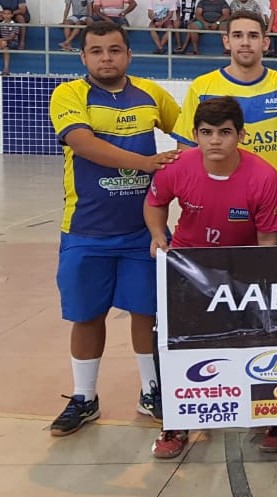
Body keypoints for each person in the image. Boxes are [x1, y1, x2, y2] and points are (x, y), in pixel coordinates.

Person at [47, 21, 181, 437]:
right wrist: (145, 163)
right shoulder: (69, 94)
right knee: (87, 316)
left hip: (143, 232)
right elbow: (82, 142)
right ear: (84, 57)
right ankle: (84, 397)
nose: (107, 57)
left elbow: (192, 135)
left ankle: (152, 390)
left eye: (115, 50)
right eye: (97, 51)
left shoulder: (152, 95)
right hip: (85, 230)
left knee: (147, 313)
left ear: (129, 54)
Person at [144, 97, 277, 458]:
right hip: (188, 264)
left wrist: (258, 286)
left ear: (240, 134)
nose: (215, 141)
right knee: (172, 339)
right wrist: (158, 235)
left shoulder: (264, 176)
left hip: (242, 267)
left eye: (225, 133)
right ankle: (175, 422)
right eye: (206, 133)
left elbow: (269, 241)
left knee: (263, 336)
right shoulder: (178, 167)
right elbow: (155, 202)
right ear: (194, 135)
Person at [171, 10, 277, 236]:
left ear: (265, 42)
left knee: (265, 269)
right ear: (226, 41)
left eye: (253, 36)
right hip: (216, 204)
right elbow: (187, 147)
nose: (245, 42)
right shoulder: (203, 86)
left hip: (269, 205)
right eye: (238, 35)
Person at [0, 8, 16, 74]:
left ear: (12, 15)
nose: (6, 15)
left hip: (12, 42)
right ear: (2, 15)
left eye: (8, 14)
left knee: (5, 48)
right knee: (3, 45)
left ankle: (6, 70)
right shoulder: (1, 24)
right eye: (4, 14)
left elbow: (11, 37)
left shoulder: (15, 25)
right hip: (2, 42)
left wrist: (1, 40)